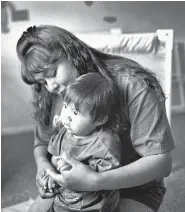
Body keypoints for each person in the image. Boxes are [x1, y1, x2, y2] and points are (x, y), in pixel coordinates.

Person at [16, 25, 175, 212]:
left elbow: (162, 163)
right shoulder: (50, 92)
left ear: (71, 52)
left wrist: (95, 181)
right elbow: (42, 142)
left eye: (52, 74)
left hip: (132, 187)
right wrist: (44, 168)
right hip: (70, 190)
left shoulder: (133, 83)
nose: (50, 87)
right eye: (42, 81)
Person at [41, 72, 122, 212]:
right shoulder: (63, 133)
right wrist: (51, 174)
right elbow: (54, 158)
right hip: (63, 201)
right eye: (65, 106)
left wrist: (70, 168)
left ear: (100, 119)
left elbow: (106, 179)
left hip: (94, 207)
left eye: (76, 113)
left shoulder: (105, 143)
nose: (66, 117)